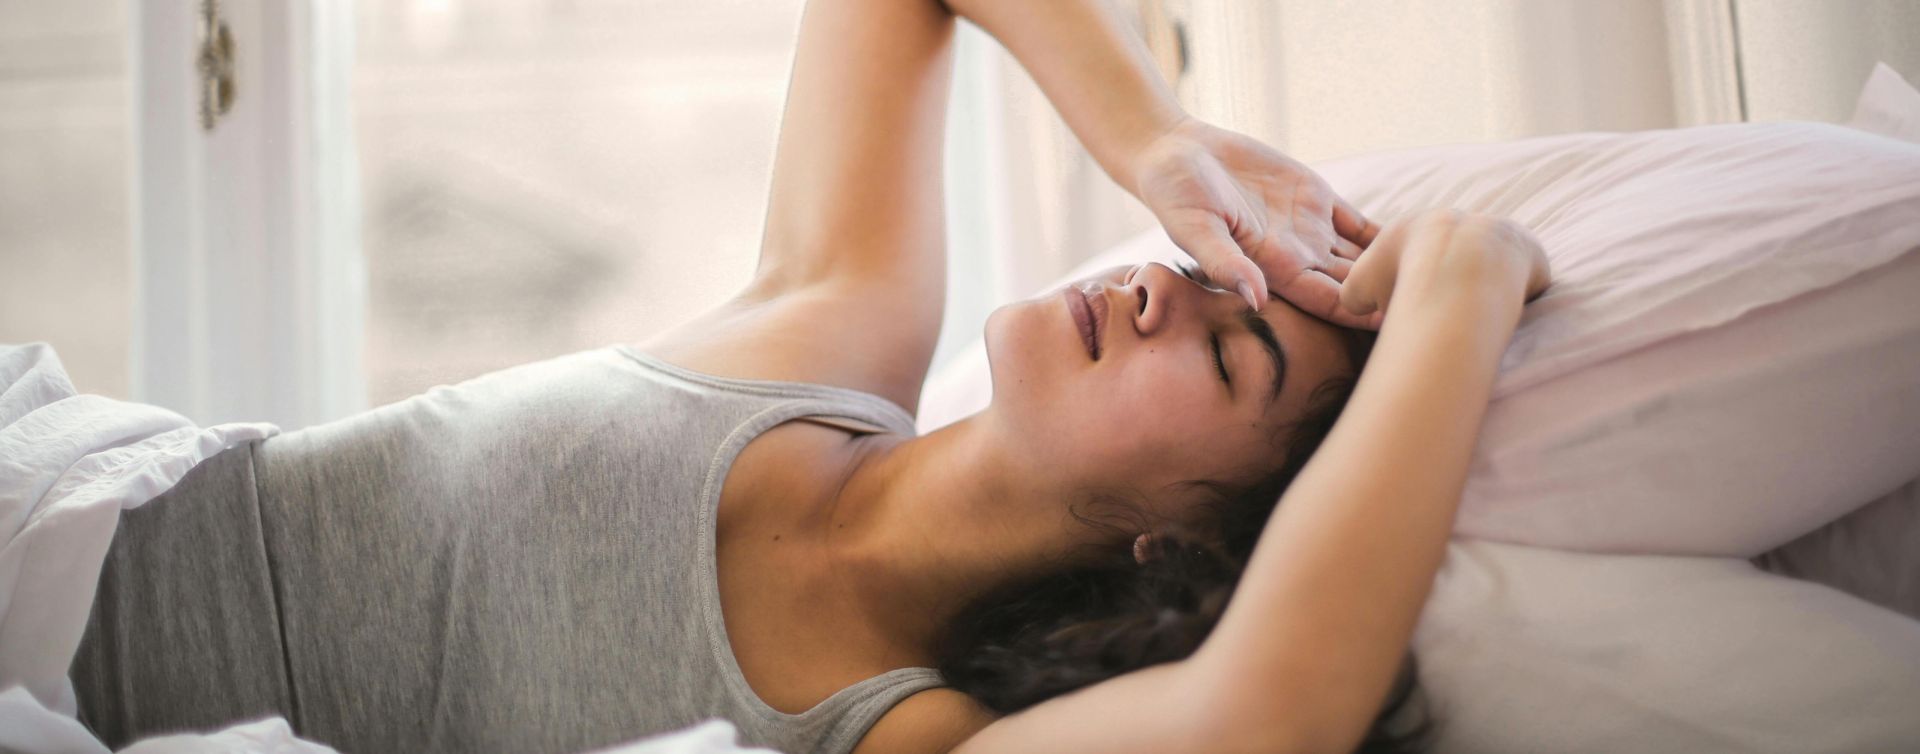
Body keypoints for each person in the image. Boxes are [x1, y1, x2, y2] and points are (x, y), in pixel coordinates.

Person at [70, 0, 1548, 752]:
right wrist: (1158, 138)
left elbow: (1268, 709)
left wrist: (1462, 289)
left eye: (1228, 348)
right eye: (1205, 273)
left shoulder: (890, 730)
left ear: (1181, 536)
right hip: (54, 505)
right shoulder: (821, 337)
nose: (1164, 281)